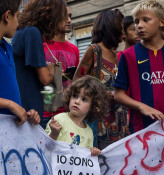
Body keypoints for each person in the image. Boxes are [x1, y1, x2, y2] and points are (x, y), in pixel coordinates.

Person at [73, 9, 129, 150]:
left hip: (119, 122)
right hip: (98, 121)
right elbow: (77, 82)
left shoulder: (116, 55)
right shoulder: (94, 50)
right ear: (112, 27)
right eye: (121, 28)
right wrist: (100, 93)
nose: (124, 32)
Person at [0, 0, 40, 125]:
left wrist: (23, 112)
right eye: (17, 16)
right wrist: (9, 104)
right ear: (7, 16)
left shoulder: (7, 47)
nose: (18, 23)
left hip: (7, 131)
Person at [12, 0, 68, 122]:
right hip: (29, 109)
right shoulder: (33, 32)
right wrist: (52, 71)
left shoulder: (21, 31)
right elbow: (45, 78)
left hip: (21, 105)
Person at [114, 1, 164, 134]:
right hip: (142, 131)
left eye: (146, 20)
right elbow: (118, 94)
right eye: (136, 22)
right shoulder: (128, 55)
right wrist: (142, 107)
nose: (140, 26)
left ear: (161, 22)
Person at [45, 76, 110, 156]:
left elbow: (86, 156)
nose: (77, 101)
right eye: (75, 96)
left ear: (93, 106)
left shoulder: (89, 131)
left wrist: (93, 151)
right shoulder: (58, 120)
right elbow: (46, 147)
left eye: (84, 99)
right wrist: (54, 134)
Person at [41, 5, 80, 129]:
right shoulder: (41, 46)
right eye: (64, 16)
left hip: (69, 113)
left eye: (70, 16)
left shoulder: (74, 49)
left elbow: (77, 80)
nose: (69, 20)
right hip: (45, 113)